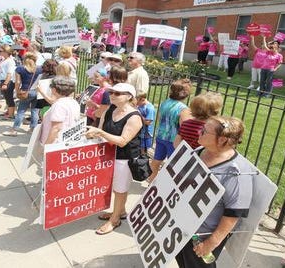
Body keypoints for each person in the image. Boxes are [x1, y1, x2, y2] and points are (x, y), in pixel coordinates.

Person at [175, 116, 253, 268]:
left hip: (202, 235)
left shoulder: (237, 173)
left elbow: (234, 214)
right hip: (183, 226)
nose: (199, 131)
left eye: (204, 131)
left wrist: (211, 243)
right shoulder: (200, 151)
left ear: (222, 139)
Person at [85, 83, 143, 235]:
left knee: (120, 189)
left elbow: (123, 140)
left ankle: (115, 219)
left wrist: (100, 133)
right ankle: (120, 211)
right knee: (113, 187)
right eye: (111, 92)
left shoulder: (134, 117)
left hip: (125, 158)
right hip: (110, 154)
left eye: (117, 93)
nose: (112, 95)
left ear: (129, 96)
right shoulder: (110, 109)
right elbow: (103, 129)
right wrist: (95, 134)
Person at [148, 79, 192, 182]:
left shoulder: (165, 103)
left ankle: (150, 180)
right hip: (173, 140)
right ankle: (166, 185)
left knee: (156, 160)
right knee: (172, 165)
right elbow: (184, 127)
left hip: (160, 136)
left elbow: (159, 117)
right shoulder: (183, 108)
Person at [3, 52, 42, 136]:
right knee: (35, 111)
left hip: (25, 91)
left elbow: (17, 82)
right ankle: (32, 129)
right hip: (37, 91)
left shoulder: (20, 69)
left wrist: (17, 91)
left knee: (21, 111)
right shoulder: (40, 69)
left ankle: (14, 130)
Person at [39, 76, 80, 145]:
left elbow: (56, 128)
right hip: (67, 141)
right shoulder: (74, 102)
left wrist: (46, 147)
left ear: (54, 90)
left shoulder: (59, 105)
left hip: (56, 144)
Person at [0, 45, 16, 119]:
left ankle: (11, 114)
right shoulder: (4, 60)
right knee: (6, 97)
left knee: (9, 97)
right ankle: (8, 111)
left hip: (8, 81)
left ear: (6, 52)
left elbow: (9, 73)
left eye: (1, 51)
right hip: (3, 80)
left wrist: (5, 83)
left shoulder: (10, 61)